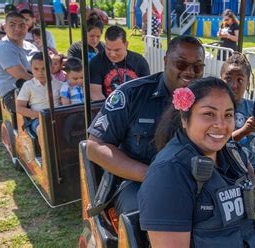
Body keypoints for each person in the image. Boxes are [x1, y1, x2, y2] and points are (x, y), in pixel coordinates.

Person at [138, 77, 255, 247]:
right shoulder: (168, 174)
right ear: (185, 119)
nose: (221, 125)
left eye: (228, 115)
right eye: (209, 114)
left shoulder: (233, 155)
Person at [86, 36, 205, 216]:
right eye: (181, 64)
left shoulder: (206, 98)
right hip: (138, 181)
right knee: (154, 213)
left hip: (192, 181)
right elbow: (94, 147)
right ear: (166, 61)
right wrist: (150, 174)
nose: (189, 72)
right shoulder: (132, 94)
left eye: (197, 67)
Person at [220, 52, 255, 170]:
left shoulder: (254, 108)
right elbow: (220, 143)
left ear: (248, 83)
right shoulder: (216, 110)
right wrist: (244, 131)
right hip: (230, 172)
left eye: (240, 80)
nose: (233, 85)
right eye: (228, 78)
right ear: (220, 80)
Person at [0, 12, 38, 113]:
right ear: (5, 27)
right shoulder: (3, 47)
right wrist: (47, 84)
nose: (17, 29)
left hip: (32, 86)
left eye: (21, 25)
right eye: (12, 25)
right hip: (13, 93)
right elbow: (21, 74)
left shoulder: (30, 46)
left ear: (27, 27)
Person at [89, 25, 150, 101]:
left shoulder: (139, 61)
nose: (112, 54)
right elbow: (96, 94)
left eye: (117, 50)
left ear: (126, 45)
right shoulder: (96, 62)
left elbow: (146, 91)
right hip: (107, 108)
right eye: (108, 49)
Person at [16, 52, 62, 134]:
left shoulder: (60, 85)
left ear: (51, 68)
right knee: (43, 129)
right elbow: (19, 107)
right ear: (31, 69)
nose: (40, 72)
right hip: (38, 119)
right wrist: (39, 115)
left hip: (58, 116)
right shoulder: (28, 85)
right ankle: (45, 147)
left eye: (44, 69)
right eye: (36, 69)